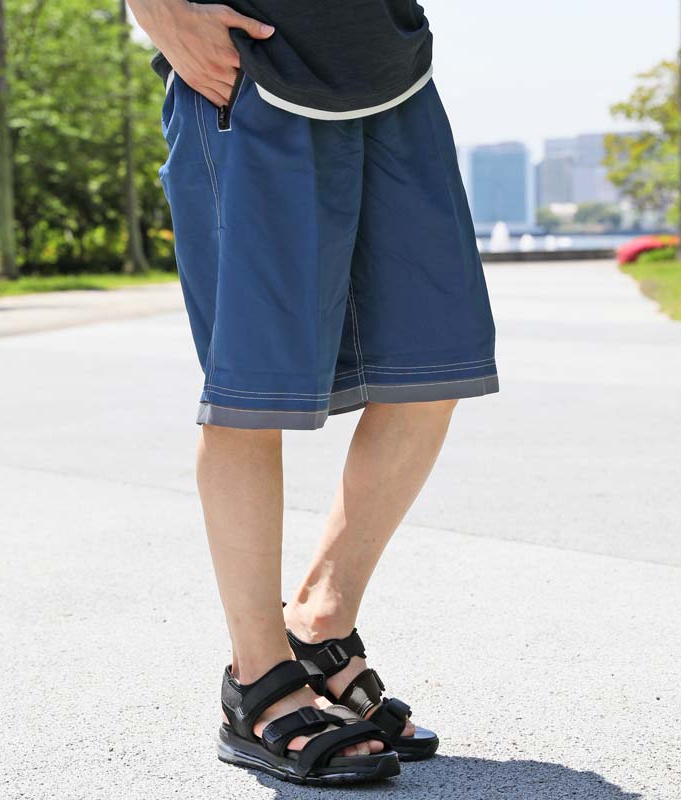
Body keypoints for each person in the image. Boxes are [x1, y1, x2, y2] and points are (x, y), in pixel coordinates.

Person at [128, 0, 498, 786]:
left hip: (393, 70)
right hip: (251, 73)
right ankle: (257, 677)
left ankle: (322, 624)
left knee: (435, 366)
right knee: (249, 393)